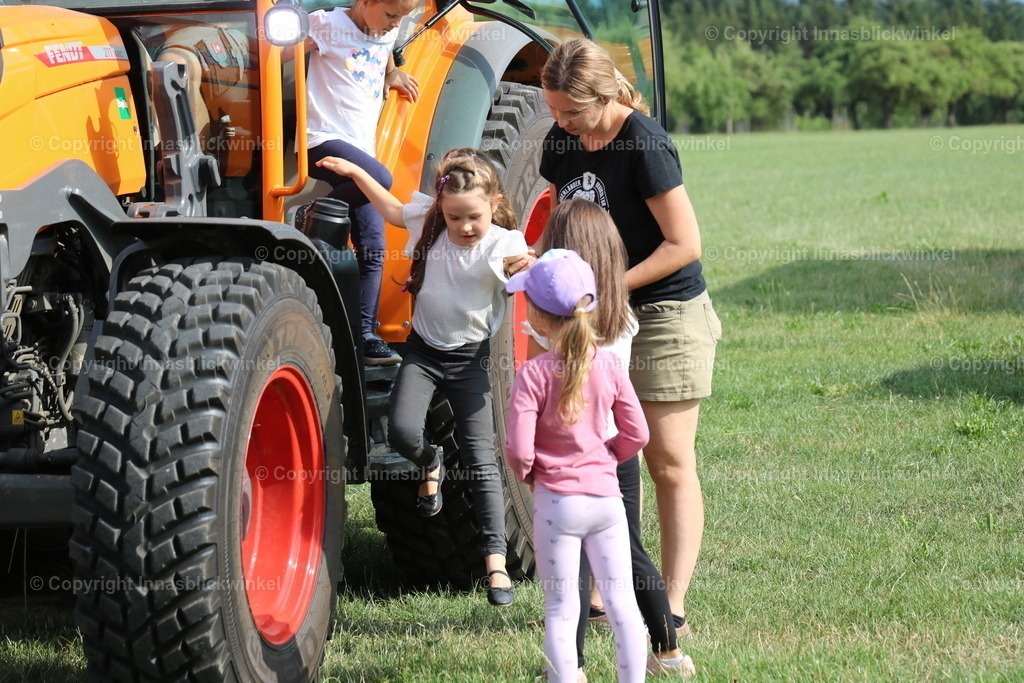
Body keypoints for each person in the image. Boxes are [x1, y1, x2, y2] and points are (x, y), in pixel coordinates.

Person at [540, 37, 723, 637]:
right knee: (604, 455)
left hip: (665, 312)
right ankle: (604, 592)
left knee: (667, 461)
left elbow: (684, 244)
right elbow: (560, 218)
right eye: (554, 110)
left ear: (606, 96)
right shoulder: (561, 139)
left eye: (572, 111)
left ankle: (670, 604)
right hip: (597, 318)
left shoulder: (643, 143)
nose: (561, 123)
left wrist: (607, 286)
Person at [316, 149, 533, 606]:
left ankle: (495, 563)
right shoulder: (431, 223)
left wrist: (530, 268)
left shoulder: (504, 243)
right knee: (400, 432)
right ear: (442, 210)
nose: (465, 227)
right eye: (455, 218)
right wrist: (356, 171)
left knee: (480, 460)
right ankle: (430, 461)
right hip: (423, 353)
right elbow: (393, 209)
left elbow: (524, 265)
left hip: (469, 362)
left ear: (494, 204)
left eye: (473, 217)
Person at [528, 200, 696, 678]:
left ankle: (571, 666)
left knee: (572, 567)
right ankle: (668, 652)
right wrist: (616, 451)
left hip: (565, 460)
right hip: (613, 454)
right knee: (633, 551)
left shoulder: (552, 329)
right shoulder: (622, 317)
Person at [505, 249, 649, 683]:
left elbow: (519, 449)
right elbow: (637, 433)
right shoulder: (610, 365)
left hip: (557, 503)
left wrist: (532, 475)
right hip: (607, 501)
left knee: (561, 609)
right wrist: (608, 457)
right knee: (622, 604)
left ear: (537, 316)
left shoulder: (533, 374)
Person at [299, 0, 422, 365]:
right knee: (381, 177)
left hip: (360, 148)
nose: (395, 24)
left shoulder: (387, 31)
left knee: (373, 245)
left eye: (401, 18)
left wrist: (392, 74)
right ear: (365, 1)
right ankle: (309, 214)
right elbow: (278, 56)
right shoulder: (326, 24)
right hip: (321, 138)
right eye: (390, 14)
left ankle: (364, 335)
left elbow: (386, 49)